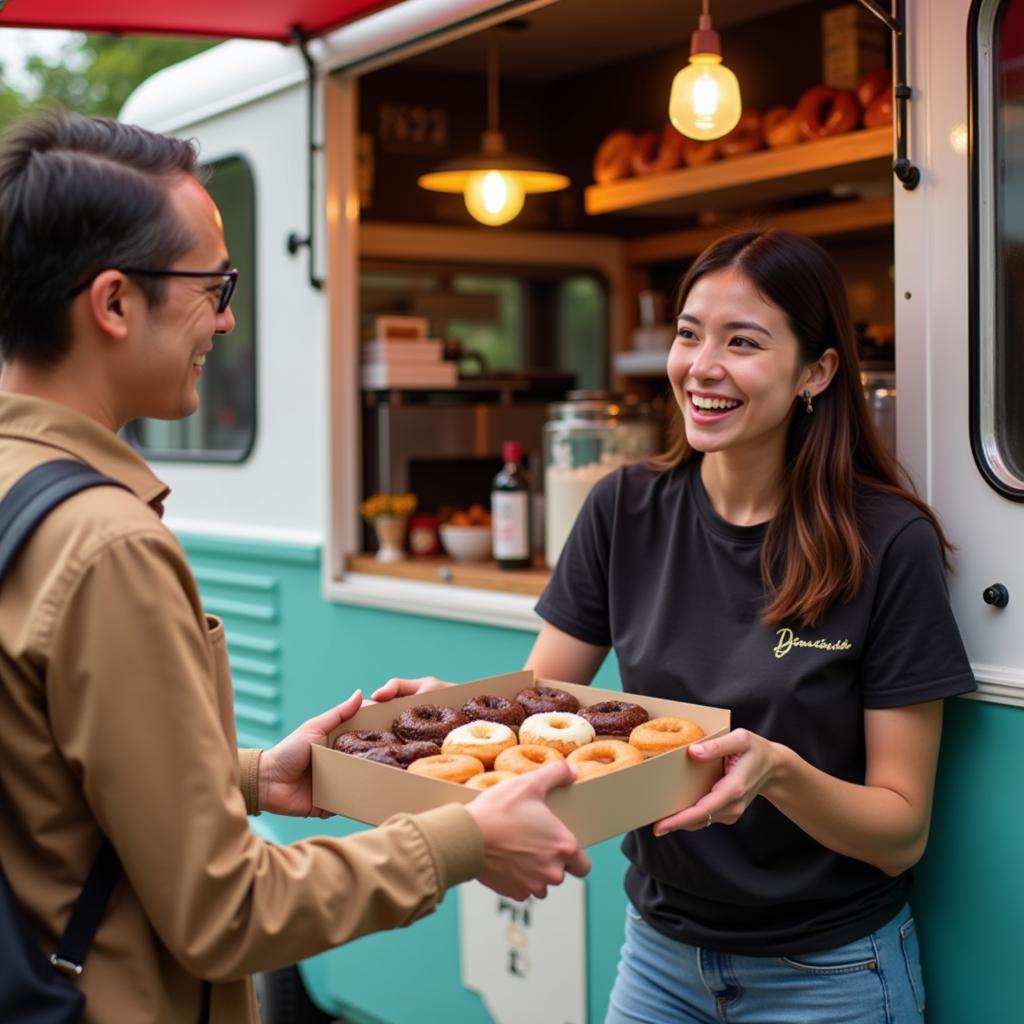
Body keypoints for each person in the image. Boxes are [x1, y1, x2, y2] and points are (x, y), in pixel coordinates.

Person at [0, 109, 589, 1024]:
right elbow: (224, 913)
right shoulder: (106, 545)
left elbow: (40, 772)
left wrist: (246, 776)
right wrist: (462, 840)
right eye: (213, 285)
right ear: (114, 303)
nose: (227, 319)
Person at [375, 229, 977, 1023]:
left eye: (743, 342)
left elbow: (901, 830)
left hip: (829, 973)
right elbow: (539, 706)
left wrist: (777, 772)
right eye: (689, 334)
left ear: (817, 372)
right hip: (660, 958)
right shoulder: (622, 509)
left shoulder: (886, 544)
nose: (702, 366)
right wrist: (452, 718)